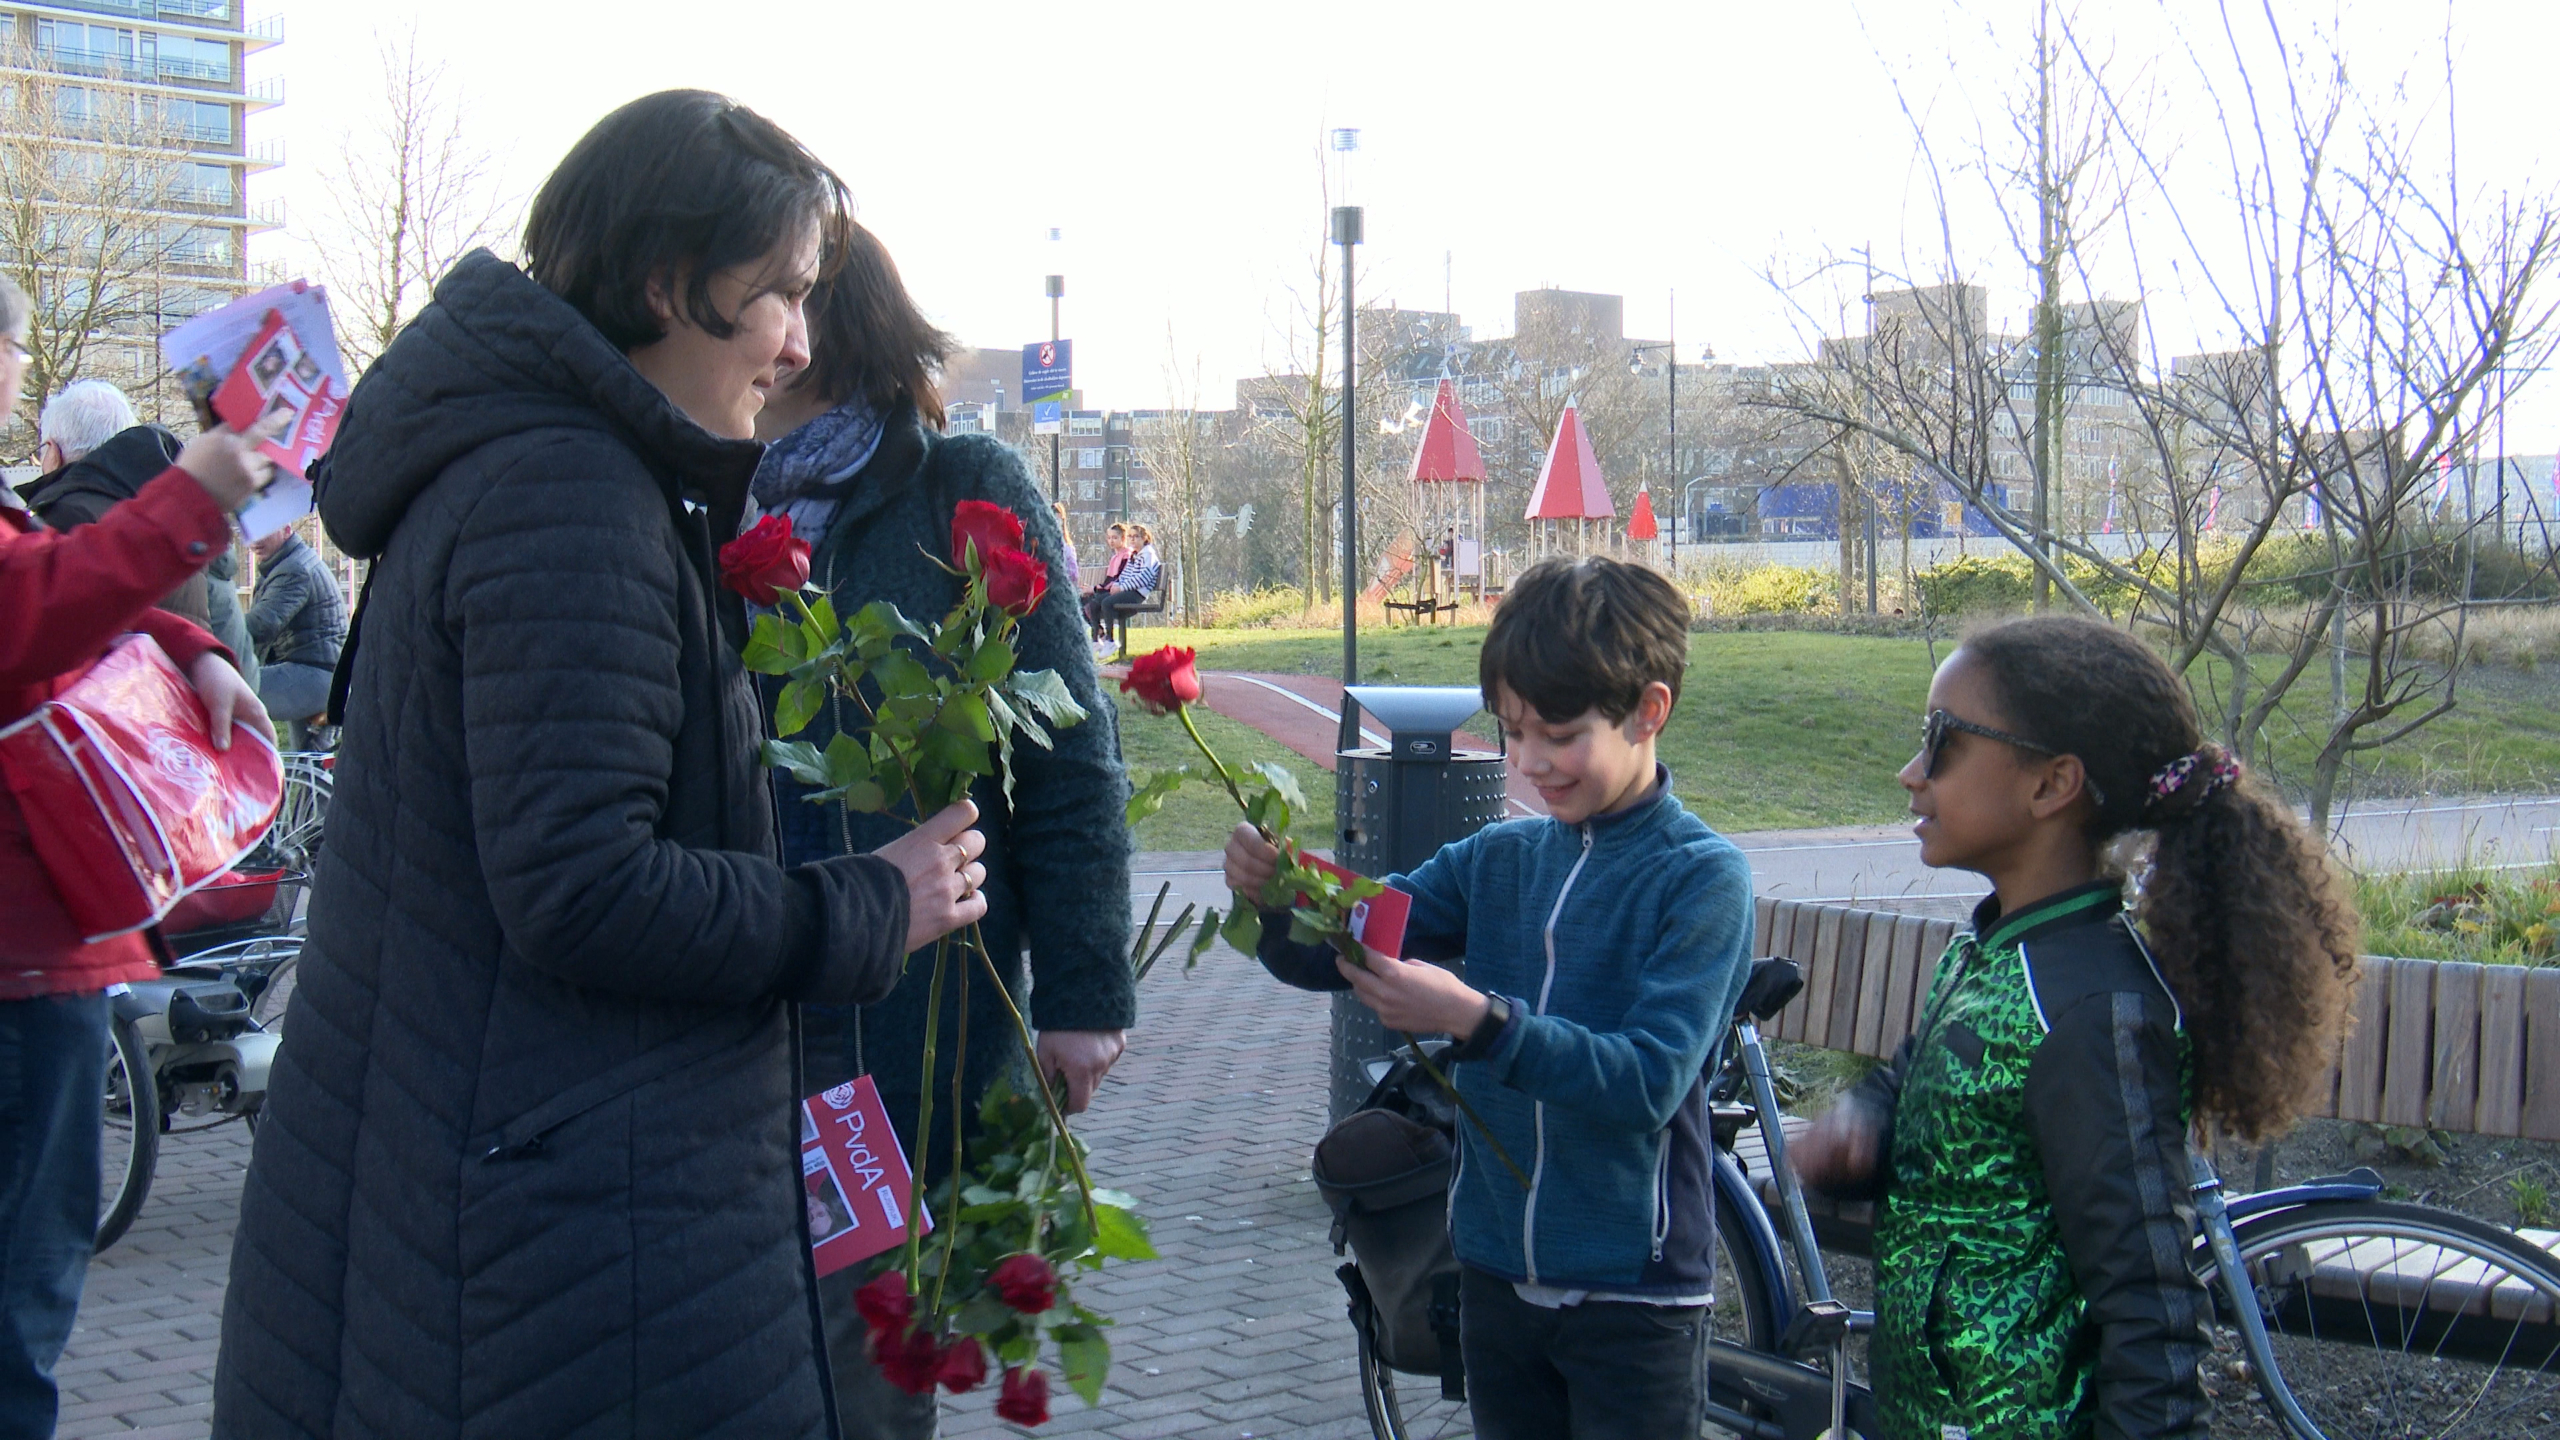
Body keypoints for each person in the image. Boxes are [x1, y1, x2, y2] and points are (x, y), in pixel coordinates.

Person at [212, 92, 995, 1440]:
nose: (801, 342)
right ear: (665, 283)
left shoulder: (532, 467)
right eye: (779, 297)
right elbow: (582, 885)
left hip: (497, 1184)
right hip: (565, 1219)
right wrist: (873, 901)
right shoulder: (571, 499)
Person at [1791, 615, 2362, 1440]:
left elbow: (2153, 1308)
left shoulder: (2093, 1011)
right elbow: (1916, 1079)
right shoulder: (1993, 949)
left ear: (2052, 784)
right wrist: (1864, 1128)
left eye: (1943, 741)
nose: (1911, 772)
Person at [748, 221, 1133, 1440]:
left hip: (907, 1017)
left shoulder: (960, 486)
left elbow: (1069, 762)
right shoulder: (687, 492)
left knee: (866, 1349)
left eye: (780, 297)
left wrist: (1084, 991)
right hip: (729, 983)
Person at [1228, 555, 1755, 1440]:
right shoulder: (1500, 858)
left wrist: (1477, 1020)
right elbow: (1352, 942)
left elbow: (1647, 1083)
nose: (1531, 762)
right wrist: (1279, 894)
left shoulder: (1701, 879)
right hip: (1494, 1273)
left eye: (1559, 733)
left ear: (1648, 711)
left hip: (1636, 1296)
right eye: (1511, 732)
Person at [0, 274, 277, 1439]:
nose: (16, 367)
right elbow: (26, 609)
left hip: (38, 955)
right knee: (19, 1307)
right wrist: (191, 498)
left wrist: (186, 640)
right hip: (20, 959)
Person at [16, 382, 260, 689]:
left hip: (112, 710)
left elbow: (41, 620)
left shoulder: (62, 515)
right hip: (184, 701)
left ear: (52, 452)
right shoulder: (174, 511)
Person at [244, 520, 345, 749]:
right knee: (308, 768)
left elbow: (262, 625)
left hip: (312, 676)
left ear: (287, 528)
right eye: (251, 532)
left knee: (230, 692)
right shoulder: (287, 562)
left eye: (265, 529)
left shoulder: (293, 569)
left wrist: (216, 635)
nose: (256, 541)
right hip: (320, 675)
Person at [1083, 521, 1159, 651]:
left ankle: (1110, 640)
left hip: (1137, 594)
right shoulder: (1135, 555)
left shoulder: (1148, 554)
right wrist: (1117, 585)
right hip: (1127, 590)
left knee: (1107, 602)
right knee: (1095, 602)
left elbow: (1144, 578)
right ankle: (1096, 638)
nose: (1132, 539)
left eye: (1136, 536)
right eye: (1130, 536)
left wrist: (1121, 588)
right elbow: (1125, 574)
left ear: (1144, 538)